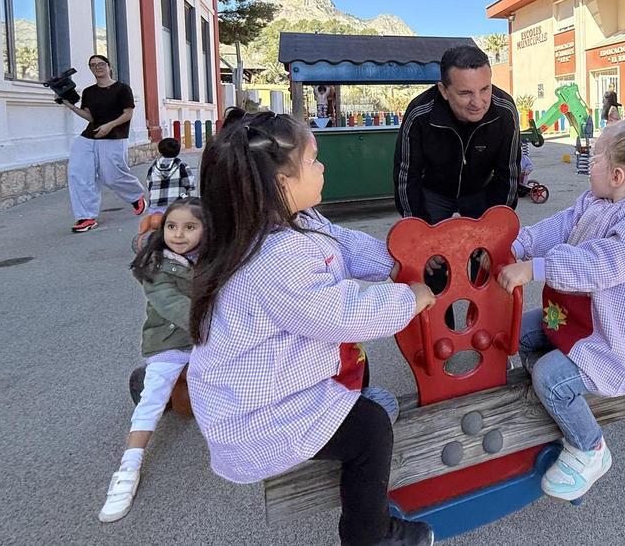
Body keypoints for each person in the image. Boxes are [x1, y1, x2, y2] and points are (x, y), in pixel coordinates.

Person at [186, 112, 437, 546]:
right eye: (313, 160)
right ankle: (371, 535)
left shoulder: (289, 222)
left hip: (268, 377)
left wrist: (399, 260)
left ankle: (343, 407)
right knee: (371, 430)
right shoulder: (276, 258)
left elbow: (343, 246)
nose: (322, 168)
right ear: (282, 183)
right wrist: (408, 298)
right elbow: (341, 313)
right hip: (255, 411)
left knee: (359, 373)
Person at [496, 113, 625, 499]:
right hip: (585, 319)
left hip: (620, 343)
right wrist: (519, 245)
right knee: (521, 334)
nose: (588, 164)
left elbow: (601, 264)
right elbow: (560, 226)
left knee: (548, 375)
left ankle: (589, 447)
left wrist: (537, 268)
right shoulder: (596, 201)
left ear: (617, 176)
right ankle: (556, 400)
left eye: (594, 158)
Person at [99, 197, 203, 522]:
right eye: (172, 226)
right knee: (153, 398)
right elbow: (172, 305)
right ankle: (129, 464)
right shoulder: (156, 267)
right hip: (171, 341)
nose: (179, 234)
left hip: (202, 340)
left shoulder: (213, 260)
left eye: (190, 227)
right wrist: (224, 326)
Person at [394, 45, 520, 224]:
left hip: (481, 192)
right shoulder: (419, 113)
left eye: (485, 89)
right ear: (444, 90)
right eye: (465, 93)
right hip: (434, 193)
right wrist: (418, 227)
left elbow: (509, 173)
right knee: (427, 247)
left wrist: (495, 225)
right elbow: (406, 175)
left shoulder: (505, 110)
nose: (477, 103)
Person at [60, 54, 147, 233]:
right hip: (89, 136)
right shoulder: (89, 92)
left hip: (114, 136)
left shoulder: (122, 89)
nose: (98, 67)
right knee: (78, 172)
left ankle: (136, 196)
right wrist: (70, 106)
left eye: (101, 64)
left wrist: (110, 125)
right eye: (93, 65)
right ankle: (86, 217)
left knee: (111, 175)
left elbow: (127, 113)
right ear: (91, 69)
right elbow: (90, 117)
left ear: (108, 66)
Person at [145, 137, 195, 213]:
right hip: (177, 206)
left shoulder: (153, 167)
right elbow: (189, 184)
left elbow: (149, 184)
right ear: (178, 151)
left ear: (160, 151)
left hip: (155, 207)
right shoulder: (182, 166)